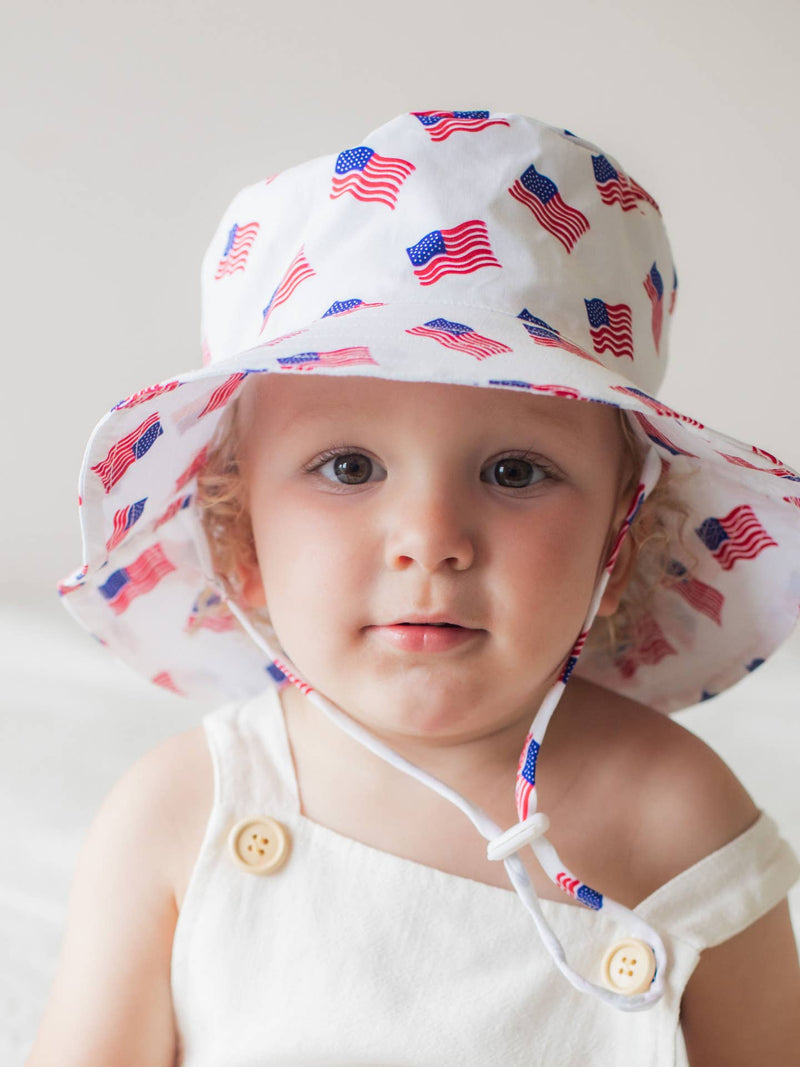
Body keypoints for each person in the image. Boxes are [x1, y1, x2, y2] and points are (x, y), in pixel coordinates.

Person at [29, 110, 800, 1065]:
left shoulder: (679, 817)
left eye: (514, 472)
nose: (432, 542)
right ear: (239, 537)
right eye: (348, 467)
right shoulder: (184, 812)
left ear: (620, 538)